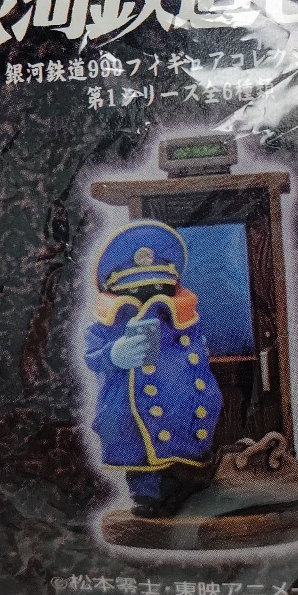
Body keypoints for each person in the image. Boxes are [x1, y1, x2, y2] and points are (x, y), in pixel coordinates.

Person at [84, 220, 223, 517]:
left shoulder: (185, 319)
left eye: (159, 289)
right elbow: (92, 355)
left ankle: (186, 484)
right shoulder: (106, 325)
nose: (150, 297)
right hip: (128, 407)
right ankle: (147, 495)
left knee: (184, 450)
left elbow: (197, 347)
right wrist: (114, 355)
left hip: (181, 406)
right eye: (139, 291)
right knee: (139, 451)